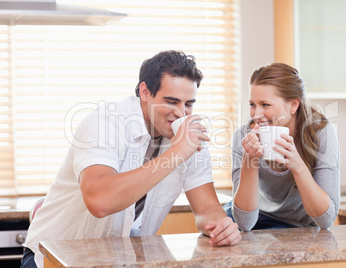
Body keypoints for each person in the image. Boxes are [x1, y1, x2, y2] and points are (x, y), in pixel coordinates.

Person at [22, 50, 241, 268]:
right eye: (171, 101)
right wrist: (176, 153)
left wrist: (221, 226)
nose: (181, 113)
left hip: (115, 261)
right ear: (145, 92)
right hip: (53, 258)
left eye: (188, 104)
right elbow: (99, 201)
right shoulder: (105, 123)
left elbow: (206, 210)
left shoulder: (187, 138)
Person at [223, 62, 340, 231]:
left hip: (298, 226)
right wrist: (250, 162)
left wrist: (298, 166)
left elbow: (326, 221)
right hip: (255, 220)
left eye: (265, 104)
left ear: (293, 105)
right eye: (252, 104)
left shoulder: (321, 133)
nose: (256, 114)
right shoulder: (243, 137)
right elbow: (245, 223)